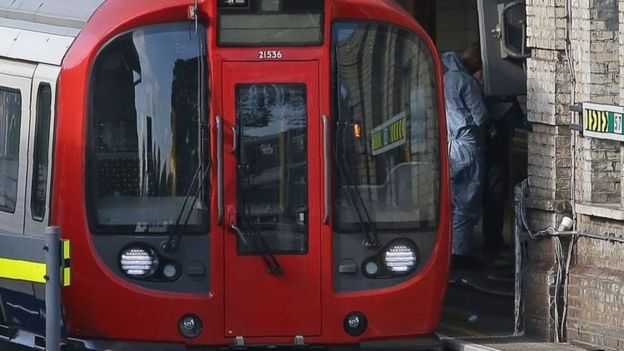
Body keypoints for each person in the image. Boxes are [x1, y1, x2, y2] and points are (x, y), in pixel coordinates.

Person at [441, 45, 488, 268]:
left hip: (449, 145)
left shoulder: (445, 78)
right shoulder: (466, 82)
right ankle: (459, 253)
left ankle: (448, 249)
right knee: (466, 203)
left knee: (451, 200)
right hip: (467, 145)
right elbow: (480, 116)